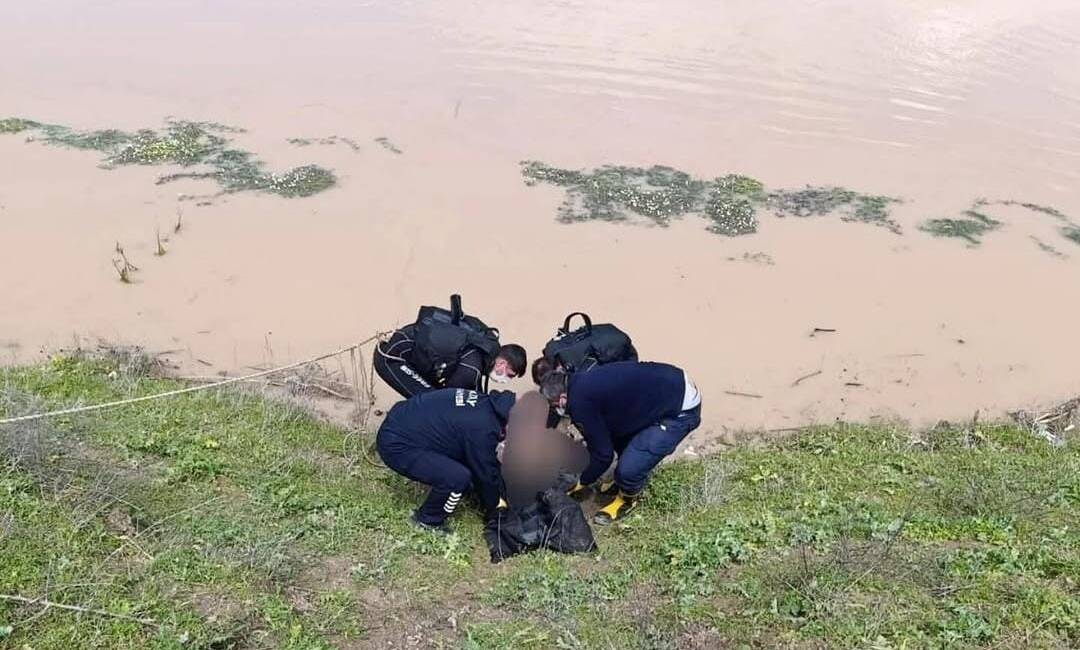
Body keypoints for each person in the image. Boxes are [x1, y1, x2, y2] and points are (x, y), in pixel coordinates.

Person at [539, 361, 702, 525]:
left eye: (554, 406)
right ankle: (624, 478)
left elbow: (603, 455)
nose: (555, 410)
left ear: (562, 398)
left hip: (681, 410)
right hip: (670, 382)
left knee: (628, 470)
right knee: (613, 434)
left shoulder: (579, 403)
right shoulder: (579, 380)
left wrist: (582, 481)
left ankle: (627, 500)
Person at [376, 387, 515, 532]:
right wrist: (497, 510)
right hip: (397, 446)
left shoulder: (487, 403)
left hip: (401, 421)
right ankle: (428, 520)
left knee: (468, 459)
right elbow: (486, 476)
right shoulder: (483, 429)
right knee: (458, 478)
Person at [375, 320, 526, 398]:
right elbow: (449, 402)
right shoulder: (471, 370)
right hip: (392, 357)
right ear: (502, 364)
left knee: (433, 396)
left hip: (405, 342)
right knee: (431, 403)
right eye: (510, 375)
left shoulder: (487, 346)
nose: (506, 380)